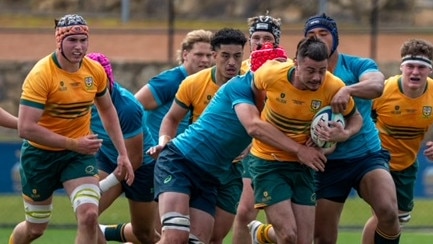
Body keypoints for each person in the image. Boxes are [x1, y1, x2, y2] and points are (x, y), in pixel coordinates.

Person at [150, 41, 314, 244]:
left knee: (198, 241)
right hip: (181, 161)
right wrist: (299, 150)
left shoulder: (278, 100)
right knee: (175, 238)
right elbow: (253, 126)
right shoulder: (240, 86)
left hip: (211, 176)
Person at [8, 14, 134, 244]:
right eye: (72, 40)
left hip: (77, 156)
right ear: (59, 42)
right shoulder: (41, 75)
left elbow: (108, 111)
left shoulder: (94, 71)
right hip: (39, 156)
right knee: (35, 229)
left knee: (89, 216)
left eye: (83, 40)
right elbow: (25, 128)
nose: (79, 47)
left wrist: (123, 154)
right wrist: (72, 143)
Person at [247, 36, 363, 244]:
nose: (318, 78)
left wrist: (342, 134)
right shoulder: (271, 74)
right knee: (288, 236)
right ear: (296, 63)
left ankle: (262, 235)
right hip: (268, 161)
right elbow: (254, 93)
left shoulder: (333, 86)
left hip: (304, 165)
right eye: (310, 70)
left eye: (322, 70)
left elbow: (355, 118)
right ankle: (263, 234)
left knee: (304, 240)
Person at [304, 13, 401, 244]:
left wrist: (348, 90)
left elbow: (377, 85)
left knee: (388, 211)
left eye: (323, 33)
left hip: (365, 156)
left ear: (335, 37)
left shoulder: (357, 65)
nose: (317, 39)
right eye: (311, 36)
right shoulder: (303, 74)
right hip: (325, 163)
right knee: (322, 238)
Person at [154, 27, 247, 244]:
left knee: (210, 239)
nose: (232, 62)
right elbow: (171, 119)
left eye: (237, 56)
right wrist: (163, 142)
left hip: (227, 171)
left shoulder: (251, 86)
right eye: (225, 56)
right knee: (175, 237)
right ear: (214, 56)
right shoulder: (194, 82)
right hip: (189, 161)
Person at [363, 39, 433, 243]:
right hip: (377, 161)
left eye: (421, 67)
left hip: (407, 163)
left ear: (429, 70)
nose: (415, 72)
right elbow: (360, 116)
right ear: (402, 67)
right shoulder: (383, 90)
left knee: (399, 217)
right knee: (385, 214)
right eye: (410, 66)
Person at [86, 52, 158, 244]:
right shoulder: (83, 100)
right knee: (87, 216)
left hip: (142, 167)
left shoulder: (127, 107)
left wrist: (103, 186)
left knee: (143, 234)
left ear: (108, 78)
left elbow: (134, 160)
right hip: (109, 160)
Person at [232, 13, 284, 244]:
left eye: (267, 37)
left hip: (279, 147)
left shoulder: (286, 68)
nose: (261, 42)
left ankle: (261, 235)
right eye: (256, 37)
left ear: (276, 42)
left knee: (285, 220)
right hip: (248, 148)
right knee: (244, 212)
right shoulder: (239, 70)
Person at [134, 29, 213, 142]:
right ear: (185, 55)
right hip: (155, 154)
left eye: (209, 55)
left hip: (183, 153)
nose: (205, 60)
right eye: (199, 55)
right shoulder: (170, 81)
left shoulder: (208, 83)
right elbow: (132, 106)